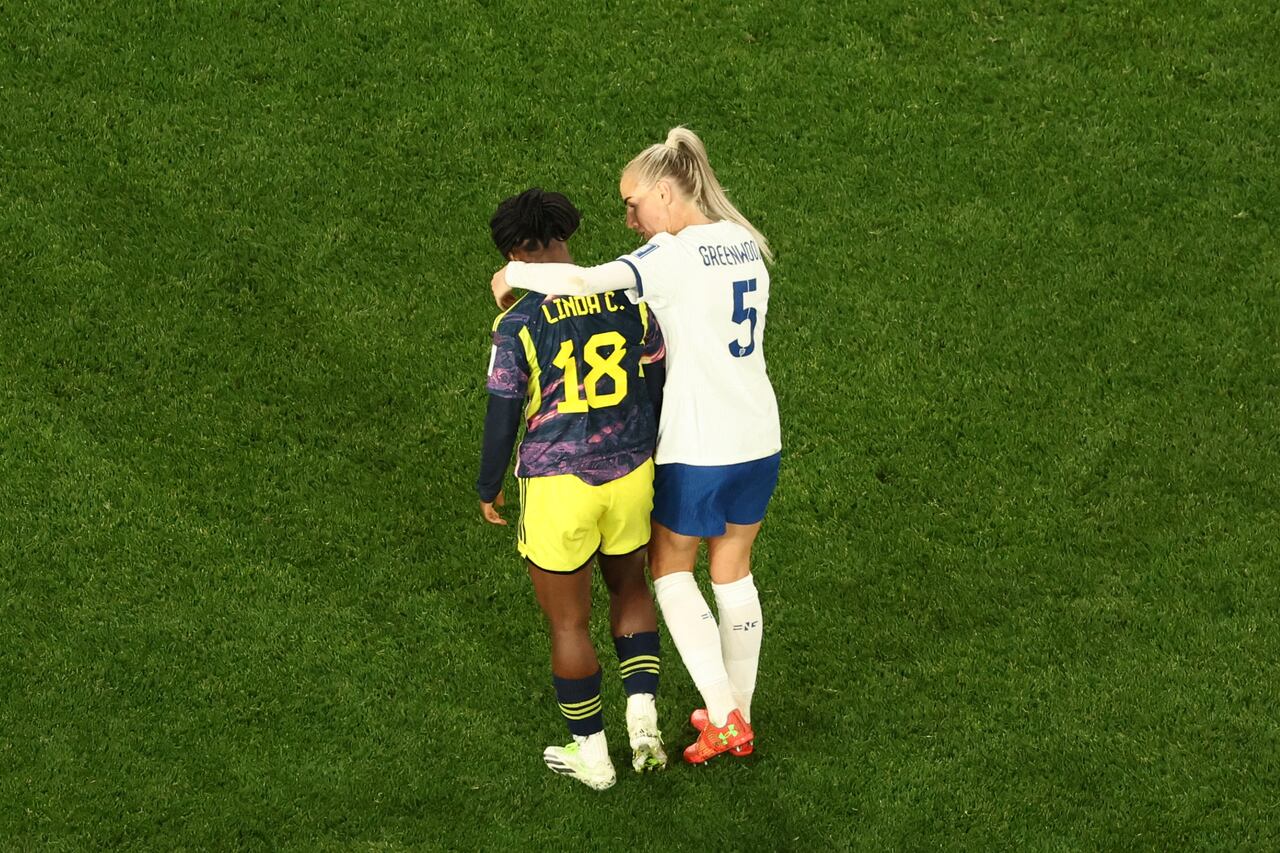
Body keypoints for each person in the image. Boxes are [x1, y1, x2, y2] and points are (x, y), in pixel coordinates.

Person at [489, 128, 780, 764]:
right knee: (734, 570)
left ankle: (726, 717)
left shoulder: (670, 256)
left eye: (633, 203)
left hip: (700, 442)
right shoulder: (745, 242)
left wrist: (509, 274)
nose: (629, 218)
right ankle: (738, 715)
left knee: (671, 571)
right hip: (760, 434)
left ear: (666, 192)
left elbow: (584, 281)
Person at [478, 188, 670, 790]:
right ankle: (645, 726)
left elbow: (503, 410)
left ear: (514, 255)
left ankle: (594, 757)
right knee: (631, 586)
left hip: (560, 484)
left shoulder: (517, 321)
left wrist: (488, 485)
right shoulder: (630, 298)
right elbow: (658, 381)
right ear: (566, 237)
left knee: (569, 624)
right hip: (633, 473)